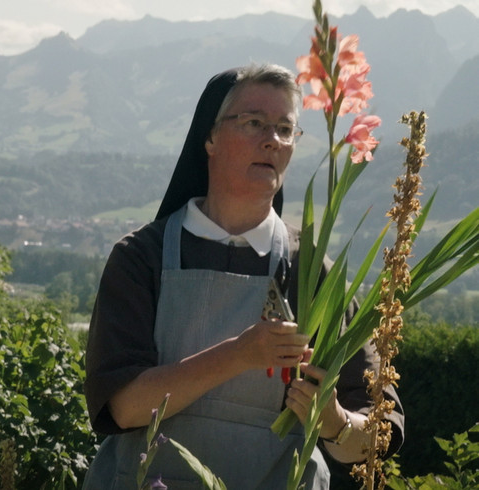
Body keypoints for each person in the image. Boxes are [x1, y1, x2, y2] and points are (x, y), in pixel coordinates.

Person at [82, 63, 404, 489]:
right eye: (254, 123)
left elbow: (375, 437)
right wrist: (238, 355)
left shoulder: (312, 272)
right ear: (210, 137)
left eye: (285, 129)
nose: (272, 140)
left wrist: (334, 422)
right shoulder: (142, 258)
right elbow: (124, 407)